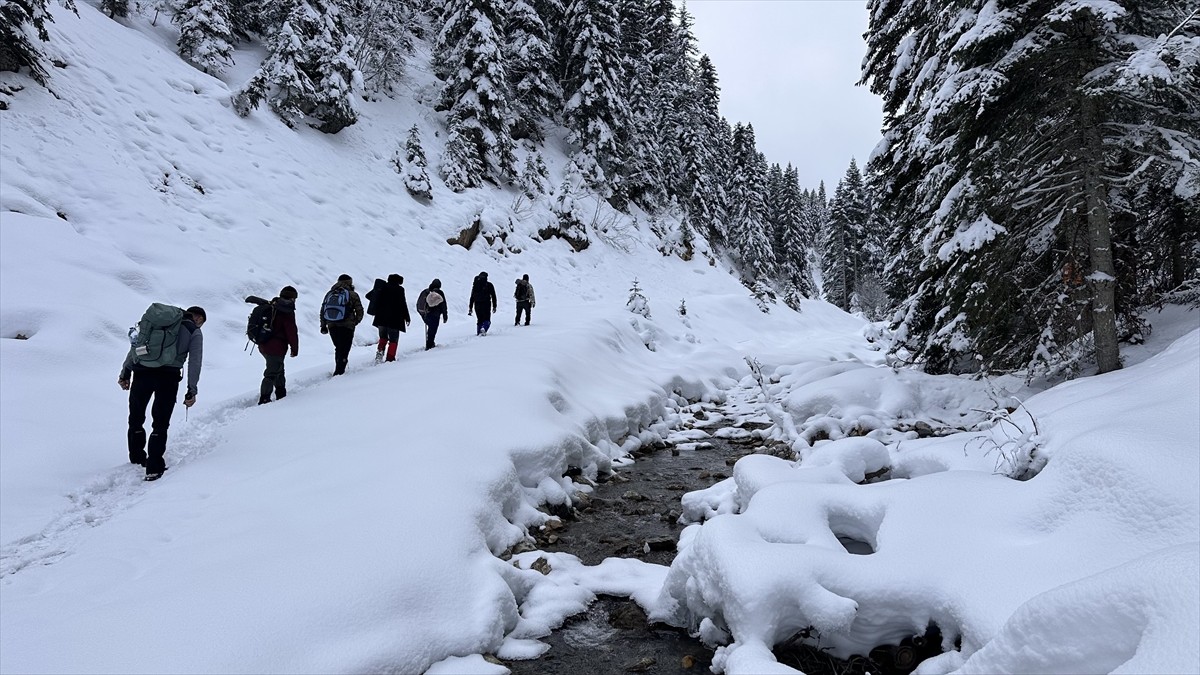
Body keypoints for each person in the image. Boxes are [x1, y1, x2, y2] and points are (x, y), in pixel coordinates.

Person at [118, 306, 205, 481]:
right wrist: (191, 390)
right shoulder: (193, 331)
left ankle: (136, 456)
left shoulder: (155, 324)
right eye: (201, 321)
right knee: (160, 422)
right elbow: (195, 362)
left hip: (142, 372)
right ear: (196, 318)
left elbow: (136, 347)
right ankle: (154, 467)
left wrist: (125, 373)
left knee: (136, 416)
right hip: (168, 378)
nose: (200, 324)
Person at [257, 286, 299, 405]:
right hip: (276, 347)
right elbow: (291, 331)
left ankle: (281, 393)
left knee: (278, 368)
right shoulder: (287, 310)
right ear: (292, 298)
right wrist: (294, 348)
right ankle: (264, 398)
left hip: (263, 344)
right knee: (271, 372)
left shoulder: (273, 305)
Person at [319, 274, 364, 376]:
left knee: (338, 347)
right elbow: (359, 310)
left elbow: (323, 310)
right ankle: (340, 371)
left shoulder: (330, 293)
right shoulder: (352, 294)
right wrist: (355, 322)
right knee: (345, 348)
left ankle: (338, 368)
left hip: (332, 324)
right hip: (347, 325)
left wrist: (323, 325)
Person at [365, 274, 411, 362]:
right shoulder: (399, 290)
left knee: (383, 337)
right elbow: (403, 304)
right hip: (394, 319)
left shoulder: (382, 286)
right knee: (393, 340)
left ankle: (379, 355)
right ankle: (390, 358)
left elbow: (368, 296)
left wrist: (379, 302)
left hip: (380, 318)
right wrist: (407, 317)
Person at [416, 278, 448, 350]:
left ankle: (430, 342)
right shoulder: (439, 292)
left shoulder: (426, 291)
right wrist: (445, 316)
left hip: (426, 314)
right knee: (433, 329)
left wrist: (422, 313)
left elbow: (419, 303)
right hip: (435, 314)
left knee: (431, 328)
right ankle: (429, 345)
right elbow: (443, 305)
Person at [468, 271, 498, 336]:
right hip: (486, 304)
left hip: (477, 304)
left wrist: (470, 307)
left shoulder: (475, 285)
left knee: (479, 319)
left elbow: (472, 297)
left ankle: (479, 332)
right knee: (487, 319)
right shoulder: (489, 285)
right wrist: (494, 306)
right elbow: (493, 296)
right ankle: (484, 328)